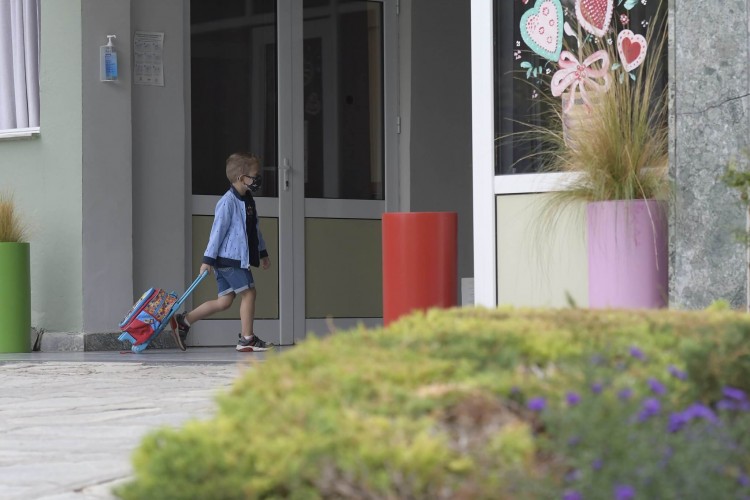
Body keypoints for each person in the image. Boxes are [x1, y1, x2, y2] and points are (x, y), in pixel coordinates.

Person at [173, 153, 273, 352]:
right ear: (241, 178)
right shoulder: (228, 202)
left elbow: (254, 230)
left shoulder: (248, 200)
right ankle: (247, 339)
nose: (258, 179)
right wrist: (207, 260)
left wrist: (262, 252)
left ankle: (184, 321)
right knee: (249, 293)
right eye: (255, 175)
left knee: (224, 302)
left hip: (232, 260)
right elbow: (216, 232)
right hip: (230, 260)